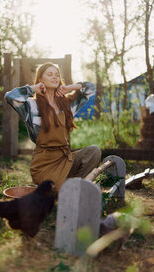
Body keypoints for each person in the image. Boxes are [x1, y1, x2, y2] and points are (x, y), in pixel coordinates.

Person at [5, 62, 101, 191]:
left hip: (64, 159)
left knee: (94, 151)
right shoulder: (31, 106)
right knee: (56, 189)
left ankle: (76, 186)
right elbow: (10, 97)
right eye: (50, 74)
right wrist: (33, 88)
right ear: (40, 79)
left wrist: (71, 87)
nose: (55, 77)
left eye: (57, 75)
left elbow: (91, 89)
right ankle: (72, 189)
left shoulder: (67, 105)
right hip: (44, 165)